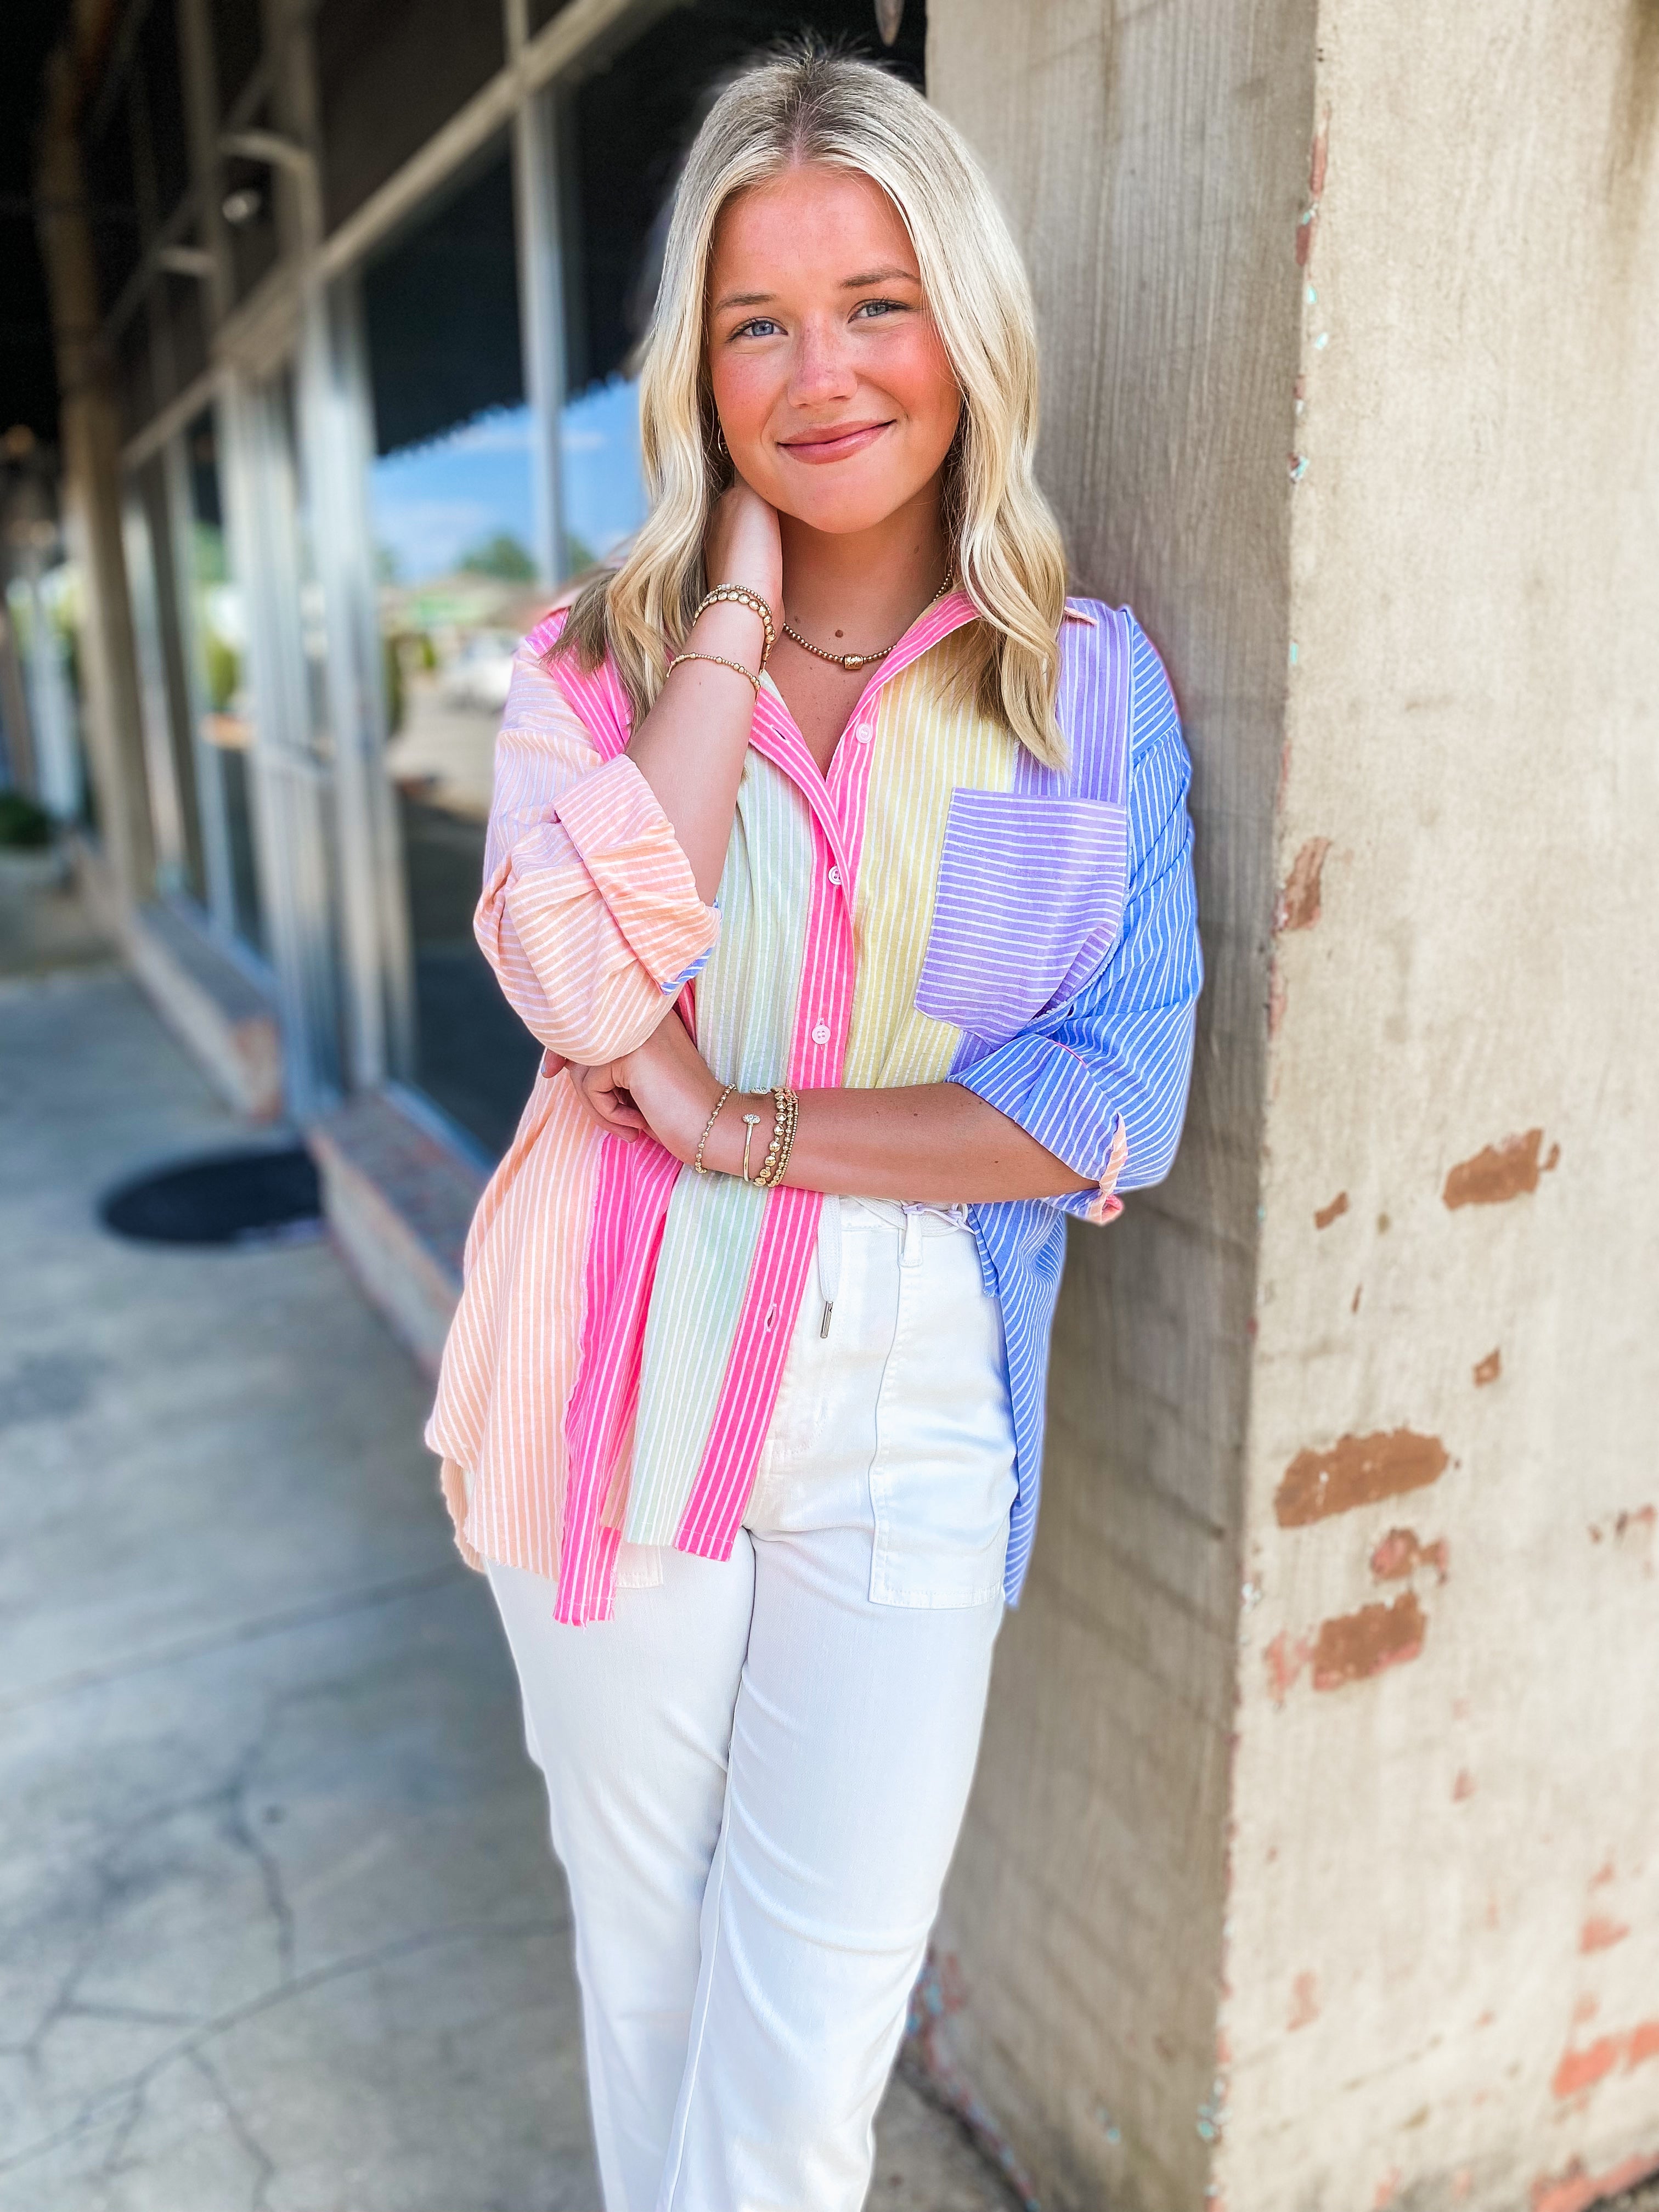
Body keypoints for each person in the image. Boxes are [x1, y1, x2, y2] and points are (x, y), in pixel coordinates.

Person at [428, 41, 1200, 2212]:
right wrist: (733, 624)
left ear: (965, 318)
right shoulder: (593, 674)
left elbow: (1112, 1097)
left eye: (874, 301)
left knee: (811, 2035)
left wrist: (748, 1125)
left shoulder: (1085, 689)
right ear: (696, 365)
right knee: (653, 1971)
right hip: (609, 1386)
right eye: (755, 320)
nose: (823, 369)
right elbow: (582, 989)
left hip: (915, 1411)